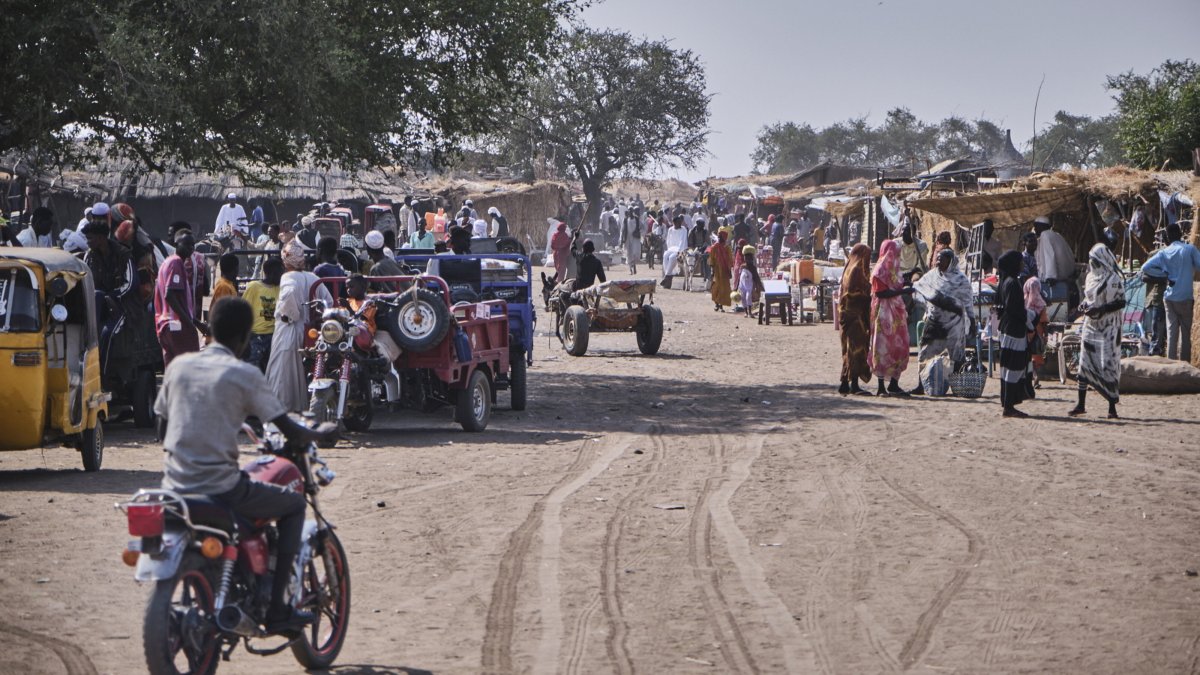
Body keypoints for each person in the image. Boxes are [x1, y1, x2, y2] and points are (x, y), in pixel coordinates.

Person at [155, 296, 336, 636]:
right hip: (221, 488)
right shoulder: (243, 373)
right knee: (294, 505)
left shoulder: (178, 367)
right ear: (244, 339)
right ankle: (280, 611)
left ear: (209, 330)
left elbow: (163, 429)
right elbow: (290, 431)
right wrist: (321, 434)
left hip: (173, 488)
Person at [266, 241, 333, 412]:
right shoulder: (314, 278)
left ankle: (284, 410)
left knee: (283, 372)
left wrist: (289, 315)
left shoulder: (287, 278)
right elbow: (329, 302)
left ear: (285, 262)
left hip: (289, 329)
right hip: (309, 329)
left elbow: (288, 301)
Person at [1070, 233, 1126, 419]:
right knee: (1084, 363)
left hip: (1109, 328)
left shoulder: (1113, 280)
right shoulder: (1090, 278)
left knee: (1108, 364)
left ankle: (1112, 408)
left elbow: (1121, 302)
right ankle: (1081, 404)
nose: (1092, 264)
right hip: (1091, 326)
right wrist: (1084, 305)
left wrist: (1102, 309)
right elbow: (1088, 298)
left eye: (1094, 261)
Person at [910, 248, 973, 395]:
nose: (937, 261)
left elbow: (968, 302)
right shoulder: (931, 276)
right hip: (934, 322)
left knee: (956, 355)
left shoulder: (961, 280)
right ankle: (921, 385)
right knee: (925, 352)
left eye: (941, 259)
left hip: (954, 325)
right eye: (937, 258)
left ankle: (957, 388)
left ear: (950, 261)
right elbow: (919, 287)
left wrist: (973, 321)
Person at [83, 211, 141, 370]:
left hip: (122, 307)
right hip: (99, 305)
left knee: (107, 334)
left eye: (90, 238)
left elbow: (131, 283)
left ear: (101, 238)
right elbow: (85, 279)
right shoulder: (89, 256)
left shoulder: (123, 255)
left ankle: (102, 373)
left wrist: (112, 296)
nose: (87, 242)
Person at [1140, 223, 1200, 363]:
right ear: (1180, 235)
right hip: (1185, 297)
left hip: (1169, 298)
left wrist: (1164, 274)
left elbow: (1145, 268)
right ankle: (1184, 367)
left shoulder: (1164, 253)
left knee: (1172, 334)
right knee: (1185, 336)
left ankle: (1170, 365)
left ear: (1167, 237)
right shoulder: (1189, 249)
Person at [154, 233, 208, 367]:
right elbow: (170, 295)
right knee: (190, 368)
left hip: (165, 326)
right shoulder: (176, 262)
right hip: (177, 325)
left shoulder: (167, 262)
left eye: (192, 245)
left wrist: (197, 323)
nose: (190, 248)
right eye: (187, 244)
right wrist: (189, 322)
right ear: (177, 245)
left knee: (173, 370)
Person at [869, 239, 915, 395]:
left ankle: (894, 383)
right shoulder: (879, 271)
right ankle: (881, 386)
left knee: (900, 346)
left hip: (897, 312)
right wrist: (902, 292)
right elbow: (880, 293)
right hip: (884, 313)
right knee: (882, 348)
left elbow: (896, 283)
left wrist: (906, 283)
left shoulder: (894, 269)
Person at [996, 250, 1030, 417]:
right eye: (1020, 262)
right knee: (1013, 367)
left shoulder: (1005, 282)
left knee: (1007, 367)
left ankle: (1007, 403)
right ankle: (1008, 406)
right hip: (1013, 330)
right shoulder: (1012, 283)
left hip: (1007, 328)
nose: (1022, 264)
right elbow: (1014, 308)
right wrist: (1028, 316)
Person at [838, 243, 873, 395]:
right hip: (855, 316)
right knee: (856, 349)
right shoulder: (857, 271)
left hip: (846, 314)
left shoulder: (848, 268)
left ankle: (845, 382)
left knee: (847, 348)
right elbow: (858, 293)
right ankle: (854, 384)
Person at [343, 274, 400, 362]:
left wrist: (349, 309)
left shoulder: (370, 302)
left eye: (351, 287)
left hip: (364, 331)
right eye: (347, 287)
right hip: (349, 330)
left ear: (362, 286)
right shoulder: (349, 302)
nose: (348, 290)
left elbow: (361, 319)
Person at [241, 257, 281, 371]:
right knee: (253, 366)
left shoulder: (279, 288)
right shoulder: (254, 287)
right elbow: (244, 309)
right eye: (280, 273)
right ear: (272, 273)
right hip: (256, 335)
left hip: (273, 334)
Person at [1033, 216, 1076, 307]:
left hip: (1052, 279)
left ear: (1043, 226)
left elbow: (1049, 256)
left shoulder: (1045, 234)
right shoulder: (1057, 235)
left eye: (1036, 226)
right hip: (1064, 276)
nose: (1035, 229)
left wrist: (1050, 277)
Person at [1024, 277, 1049, 390]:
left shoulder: (1023, 301)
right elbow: (1044, 321)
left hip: (1026, 332)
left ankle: (1031, 377)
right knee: (1036, 354)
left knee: (1027, 355)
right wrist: (1046, 335)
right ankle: (1035, 376)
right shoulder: (1041, 303)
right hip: (1037, 332)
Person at [707, 230, 733, 312]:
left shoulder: (727, 248)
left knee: (724, 289)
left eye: (720, 236)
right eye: (718, 236)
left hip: (725, 272)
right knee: (716, 287)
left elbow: (730, 260)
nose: (719, 238)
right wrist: (712, 270)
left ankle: (721, 305)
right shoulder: (715, 247)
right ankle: (716, 304)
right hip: (717, 271)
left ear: (724, 238)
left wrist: (729, 270)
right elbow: (711, 259)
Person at [660, 215, 688, 288]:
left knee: (672, 257)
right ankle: (668, 275)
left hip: (680, 250)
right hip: (671, 248)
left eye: (680, 222)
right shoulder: (670, 230)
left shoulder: (683, 229)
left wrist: (679, 251)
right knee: (665, 255)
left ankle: (667, 276)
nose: (679, 224)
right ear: (674, 223)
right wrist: (669, 249)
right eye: (677, 223)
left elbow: (683, 242)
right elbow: (668, 241)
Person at [737, 244, 764, 317]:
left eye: (749, 258)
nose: (747, 259)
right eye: (746, 258)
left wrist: (760, 286)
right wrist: (736, 287)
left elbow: (756, 277)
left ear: (751, 259)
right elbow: (739, 277)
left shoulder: (752, 268)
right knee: (743, 298)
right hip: (742, 286)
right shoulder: (742, 266)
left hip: (749, 286)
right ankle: (746, 312)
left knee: (748, 297)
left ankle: (750, 312)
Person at [619, 206, 641, 274]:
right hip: (627, 239)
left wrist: (638, 232)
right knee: (629, 254)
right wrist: (621, 240)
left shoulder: (637, 219)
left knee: (635, 253)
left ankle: (634, 266)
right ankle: (631, 269)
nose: (630, 212)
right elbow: (622, 230)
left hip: (635, 239)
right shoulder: (625, 220)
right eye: (629, 211)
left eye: (631, 211)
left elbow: (642, 227)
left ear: (633, 211)